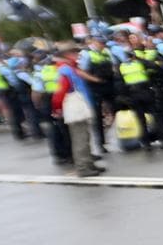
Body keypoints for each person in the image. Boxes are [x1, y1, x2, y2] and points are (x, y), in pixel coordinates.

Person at [50, 43, 102, 177]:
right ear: (67, 55)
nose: (78, 55)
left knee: (85, 136)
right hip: (75, 107)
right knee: (80, 138)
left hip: (79, 105)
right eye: (75, 53)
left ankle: (88, 163)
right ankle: (83, 167)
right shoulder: (65, 70)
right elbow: (59, 92)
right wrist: (57, 108)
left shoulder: (70, 68)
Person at [78, 35, 119, 151]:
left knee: (117, 109)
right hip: (95, 87)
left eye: (103, 43)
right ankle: (100, 143)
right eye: (100, 43)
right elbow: (81, 71)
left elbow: (114, 64)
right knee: (97, 115)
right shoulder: (86, 53)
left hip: (109, 83)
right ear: (94, 42)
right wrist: (95, 79)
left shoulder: (106, 51)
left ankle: (119, 134)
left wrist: (114, 73)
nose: (102, 45)